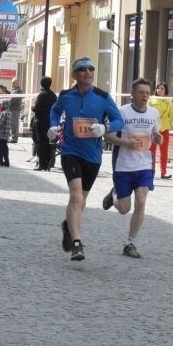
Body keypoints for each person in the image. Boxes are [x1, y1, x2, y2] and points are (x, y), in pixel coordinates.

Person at [48, 56, 124, 261]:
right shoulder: (66, 96)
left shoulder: (103, 97)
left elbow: (119, 120)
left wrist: (105, 127)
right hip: (70, 151)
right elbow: (55, 111)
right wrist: (53, 126)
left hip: (93, 155)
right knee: (76, 195)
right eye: (83, 69)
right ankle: (77, 243)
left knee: (82, 198)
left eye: (91, 69)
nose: (88, 73)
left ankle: (68, 226)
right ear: (74, 74)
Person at [101, 77, 161, 258]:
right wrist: (126, 143)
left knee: (141, 201)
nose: (145, 96)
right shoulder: (122, 112)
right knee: (124, 209)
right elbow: (107, 136)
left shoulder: (154, 113)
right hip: (123, 165)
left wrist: (158, 138)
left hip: (144, 164)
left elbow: (155, 133)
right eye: (141, 93)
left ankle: (130, 242)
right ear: (132, 95)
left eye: (147, 93)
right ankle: (114, 195)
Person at [148, 81, 173, 179]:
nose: (160, 90)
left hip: (164, 129)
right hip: (153, 129)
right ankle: (150, 171)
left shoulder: (168, 101)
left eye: (162, 88)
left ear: (166, 90)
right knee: (151, 151)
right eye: (158, 88)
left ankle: (163, 172)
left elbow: (172, 115)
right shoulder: (151, 100)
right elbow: (146, 111)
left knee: (164, 152)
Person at [32, 76, 57, 171]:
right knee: (48, 143)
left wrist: (32, 107)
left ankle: (41, 164)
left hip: (40, 122)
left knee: (40, 142)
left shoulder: (41, 95)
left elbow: (36, 109)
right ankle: (48, 164)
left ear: (41, 84)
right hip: (50, 122)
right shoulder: (53, 95)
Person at [0, 99, 12, 167]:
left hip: (1, 133)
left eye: (0, 104)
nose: (0, 105)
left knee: (0, 148)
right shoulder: (9, 112)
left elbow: (0, 124)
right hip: (6, 133)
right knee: (5, 148)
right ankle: (6, 162)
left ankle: (0, 162)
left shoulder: (4, 113)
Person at [10, 77, 24, 143]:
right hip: (12, 109)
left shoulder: (18, 90)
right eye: (12, 83)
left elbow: (12, 99)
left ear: (17, 83)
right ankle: (12, 137)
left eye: (13, 83)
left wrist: (6, 100)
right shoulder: (14, 90)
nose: (12, 84)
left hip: (15, 109)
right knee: (12, 124)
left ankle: (14, 138)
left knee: (14, 124)